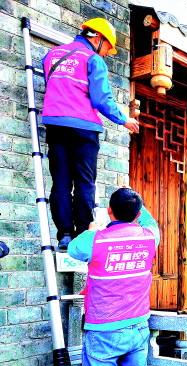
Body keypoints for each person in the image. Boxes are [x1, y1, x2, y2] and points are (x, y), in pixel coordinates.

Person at [68, 187, 160, 366]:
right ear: (138, 213)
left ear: (109, 211)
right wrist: (135, 203)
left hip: (103, 330)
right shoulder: (149, 237)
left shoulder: (95, 240)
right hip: (138, 327)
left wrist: (93, 228)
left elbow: (73, 249)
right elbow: (149, 220)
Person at [42, 18, 140, 250]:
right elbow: (101, 99)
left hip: (55, 124)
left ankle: (65, 234)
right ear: (98, 38)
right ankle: (83, 234)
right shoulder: (93, 59)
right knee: (85, 182)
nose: (106, 53)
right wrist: (124, 119)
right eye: (107, 48)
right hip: (84, 127)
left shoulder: (51, 55)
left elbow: (53, 86)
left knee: (61, 182)